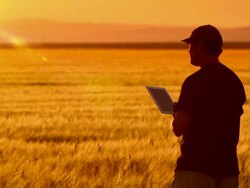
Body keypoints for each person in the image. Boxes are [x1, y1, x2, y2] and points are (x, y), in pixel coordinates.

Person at [171, 25, 246, 188]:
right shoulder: (234, 81)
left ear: (201, 46)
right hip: (228, 171)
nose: (188, 51)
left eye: (191, 45)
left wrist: (176, 113)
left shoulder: (194, 82)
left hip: (195, 169)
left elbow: (179, 128)